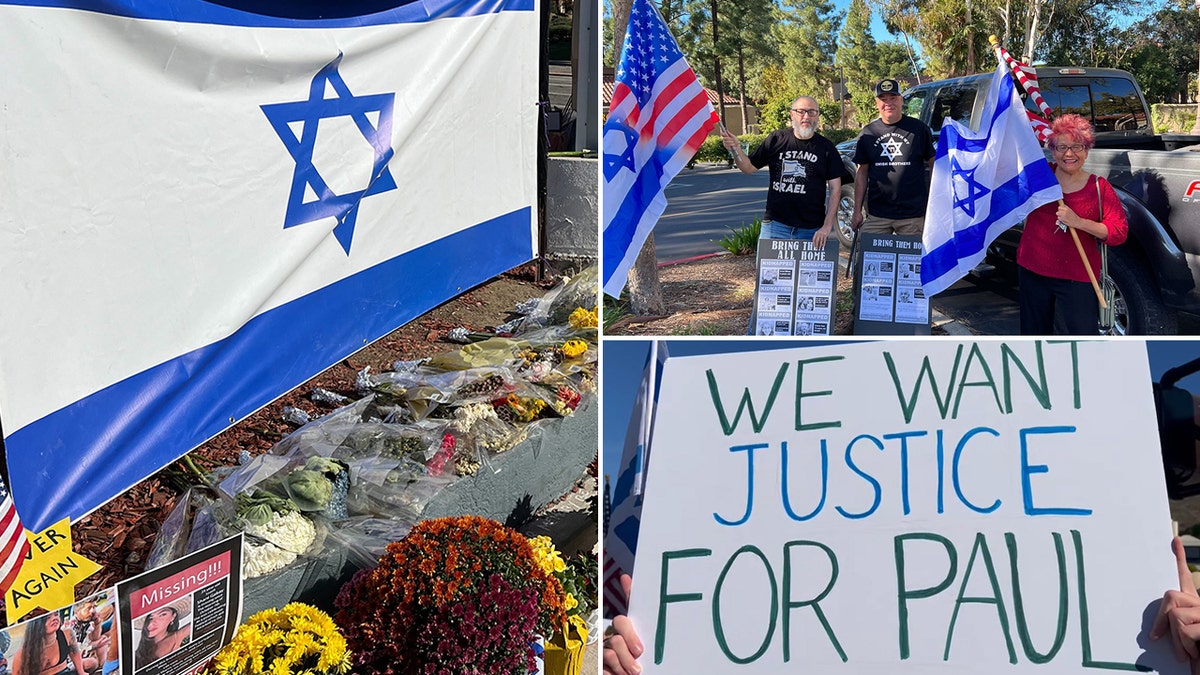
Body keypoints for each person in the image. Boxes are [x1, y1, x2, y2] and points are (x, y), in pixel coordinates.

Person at [1016, 113, 1127, 335]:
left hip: (1077, 276)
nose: (1069, 154)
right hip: (1032, 269)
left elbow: (1118, 232)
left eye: (1077, 146)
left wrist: (1079, 222)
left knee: (1083, 337)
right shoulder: (1040, 176)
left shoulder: (1098, 187)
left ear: (1087, 149)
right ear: (1052, 150)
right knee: (1033, 335)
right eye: (1061, 147)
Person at [719, 96, 844, 248]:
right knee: (769, 273)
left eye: (811, 112)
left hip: (811, 230)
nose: (806, 117)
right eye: (801, 112)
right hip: (776, 226)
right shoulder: (776, 140)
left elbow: (835, 189)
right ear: (792, 115)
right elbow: (748, 168)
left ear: (817, 116)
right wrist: (736, 149)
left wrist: (826, 226)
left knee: (806, 272)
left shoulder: (826, 148)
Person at [850, 79, 936, 236]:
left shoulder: (919, 129)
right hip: (877, 215)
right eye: (883, 99)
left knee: (911, 260)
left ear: (902, 100)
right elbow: (861, 172)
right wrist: (857, 211)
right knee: (867, 258)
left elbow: (934, 166)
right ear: (877, 103)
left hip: (913, 216)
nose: (888, 103)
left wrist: (935, 204)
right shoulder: (867, 133)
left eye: (893, 98)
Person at [11, 612, 87, 675]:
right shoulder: (23, 653)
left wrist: (81, 672)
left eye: (56, 614)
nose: (54, 618)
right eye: (47, 618)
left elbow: (75, 654)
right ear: (36, 624)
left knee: (92, 663)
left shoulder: (67, 634)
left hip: (65, 672)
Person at [134, 598, 192, 668]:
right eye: (150, 617)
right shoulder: (137, 655)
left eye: (162, 615)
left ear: (173, 617)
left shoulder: (180, 636)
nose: (152, 623)